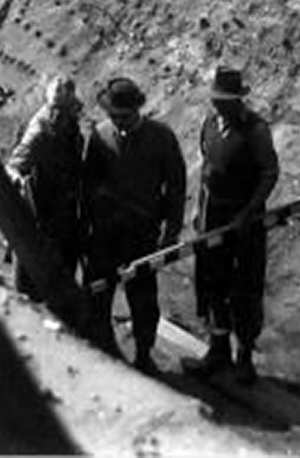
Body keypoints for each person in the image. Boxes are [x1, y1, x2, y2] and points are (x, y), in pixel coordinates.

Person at [80, 75, 186, 375]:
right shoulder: (99, 136)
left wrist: (171, 231)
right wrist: (90, 224)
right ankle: (103, 348)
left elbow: (176, 186)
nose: (118, 122)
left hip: (141, 234)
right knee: (98, 293)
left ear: (137, 111)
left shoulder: (161, 137)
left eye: (123, 117)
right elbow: (89, 183)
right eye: (113, 116)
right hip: (105, 234)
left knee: (143, 299)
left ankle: (143, 353)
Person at [184, 65, 278, 385]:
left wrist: (249, 212)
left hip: (244, 220)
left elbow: (269, 173)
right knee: (212, 282)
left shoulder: (256, 130)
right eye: (217, 99)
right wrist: (200, 208)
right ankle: (218, 348)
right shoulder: (210, 124)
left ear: (239, 100)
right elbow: (207, 168)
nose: (220, 105)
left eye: (226, 100)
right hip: (214, 214)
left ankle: (245, 357)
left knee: (245, 286)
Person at [5, 76, 85, 301]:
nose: (60, 115)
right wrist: (17, 179)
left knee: (64, 279)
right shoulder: (40, 130)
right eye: (57, 110)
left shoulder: (72, 128)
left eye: (66, 110)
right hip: (40, 215)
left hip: (67, 213)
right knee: (28, 284)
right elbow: (14, 165)